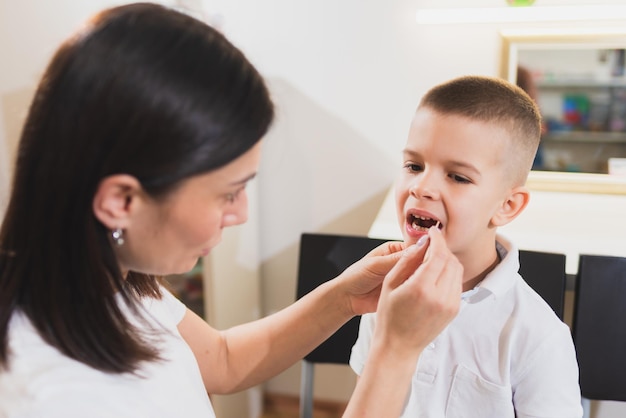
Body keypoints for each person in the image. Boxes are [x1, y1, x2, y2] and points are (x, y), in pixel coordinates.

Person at [0, 3, 463, 417]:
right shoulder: (56, 396)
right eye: (227, 193)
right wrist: (396, 352)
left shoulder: (109, 280)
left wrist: (343, 297)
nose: (240, 213)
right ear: (121, 201)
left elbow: (220, 361)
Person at [349, 75, 583, 417]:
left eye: (457, 176)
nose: (422, 187)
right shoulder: (388, 295)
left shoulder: (538, 337)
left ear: (507, 206)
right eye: (414, 165)